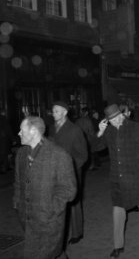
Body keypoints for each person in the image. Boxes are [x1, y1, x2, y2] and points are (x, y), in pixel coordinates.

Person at [97, 104, 139, 259]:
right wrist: (100, 131)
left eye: (118, 118)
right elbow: (97, 147)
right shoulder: (109, 130)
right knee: (118, 209)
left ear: (122, 115)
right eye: (112, 120)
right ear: (107, 121)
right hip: (117, 178)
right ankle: (118, 245)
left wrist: (136, 167)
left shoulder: (137, 128)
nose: (116, 122)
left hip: (135, 176)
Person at [13, 116, 77, 259]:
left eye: (21, 130)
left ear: (34, 131)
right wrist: (17, 204)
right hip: (27, 220)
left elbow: (69, 190)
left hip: (49, 222)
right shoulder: (21, 154)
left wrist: (50, 210)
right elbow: (18, 183)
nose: (18, 133)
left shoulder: (59, 155)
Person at [49, 101, 88, 245]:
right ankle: (59, 233)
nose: (54, 114)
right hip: (54, 171)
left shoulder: (75, 130)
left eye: (57, 111)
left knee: (73, 202)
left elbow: (83, 154)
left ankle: (77, 232)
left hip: (71, 171)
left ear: (65, 112)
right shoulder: (52, 128)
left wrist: (70, 167)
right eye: (53, 111)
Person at [0, 109, 14, 174]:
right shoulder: (4, 120)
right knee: (5, 154)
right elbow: (8, 131)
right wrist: (13, 139)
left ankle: (5, 167)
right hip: (4, 140)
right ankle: (4, 168)